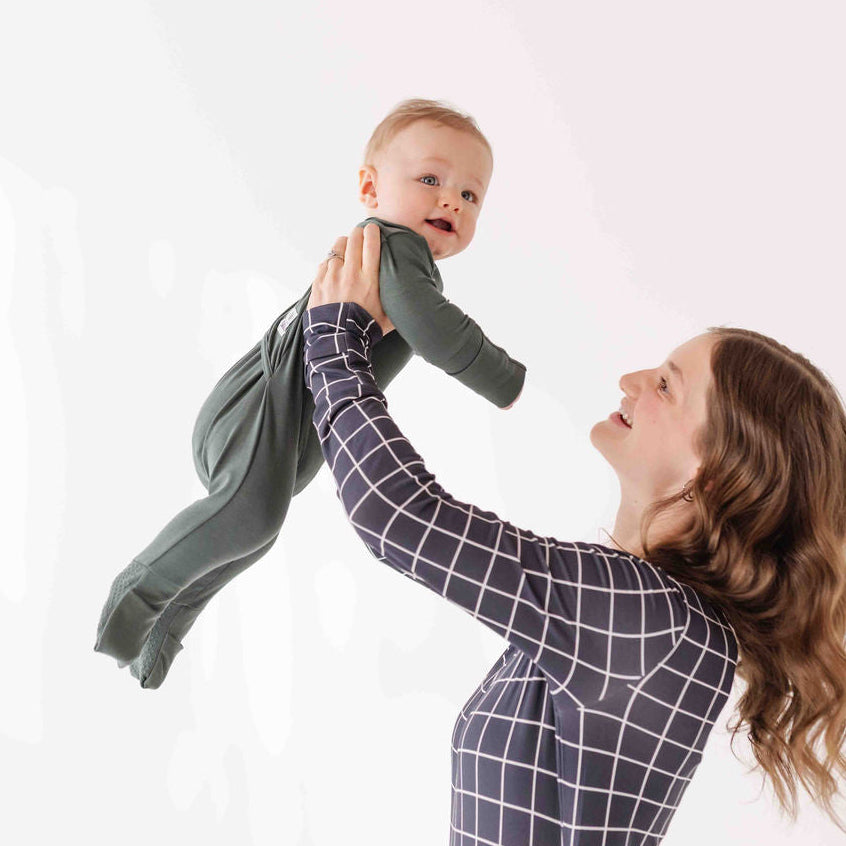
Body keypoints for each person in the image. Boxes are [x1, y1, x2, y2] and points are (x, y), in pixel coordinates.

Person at [302, 222, 846, 844]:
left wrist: (334, 338)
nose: (631, 381)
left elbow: (397, 515)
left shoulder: (645, 617)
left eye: (666, 385)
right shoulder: (661, 621)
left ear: (718, 473)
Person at [93, 99, 526, 689]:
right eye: (431, 179)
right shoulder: (396, 247)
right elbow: (433, 329)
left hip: (270, 428)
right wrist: (504, 379)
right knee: (247, 522)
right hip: (260, 412)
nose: (452, 199)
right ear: (370, 188)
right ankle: (134, 598)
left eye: (471, 195)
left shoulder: (400, 255)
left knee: (254, 535)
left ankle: (161, 635)